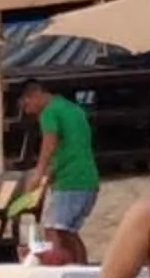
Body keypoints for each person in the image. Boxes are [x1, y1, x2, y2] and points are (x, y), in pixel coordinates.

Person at [20, 80, 100, 238]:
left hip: (70, 181)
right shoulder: (72, 108)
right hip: (88, 179)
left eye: (26, 105)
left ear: (35, 95)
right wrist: (51, 170)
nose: (28, 112)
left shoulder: (49, 112)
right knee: (69, 234)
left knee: (54, 231)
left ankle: (60, 263)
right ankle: (80, 263)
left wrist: (39, 172)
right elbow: (72, 146)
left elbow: (50, 140)